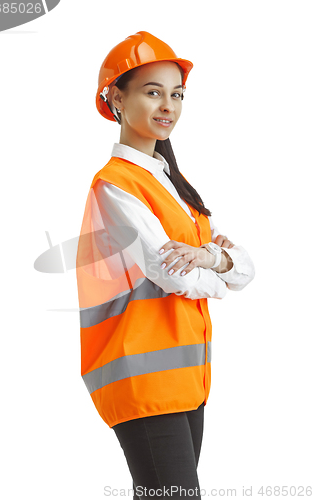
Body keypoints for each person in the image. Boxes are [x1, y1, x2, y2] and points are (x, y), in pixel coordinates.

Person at [76, 31, 255, 500]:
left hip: (186, 377)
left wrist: (213, 259)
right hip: (141, 377)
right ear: (116, 97)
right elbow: (170, 272)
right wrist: (219, 272)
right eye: (152, 92)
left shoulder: (175, 187)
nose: (168, 106)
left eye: (176, 94)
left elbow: (245, 268)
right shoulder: (114, 186)